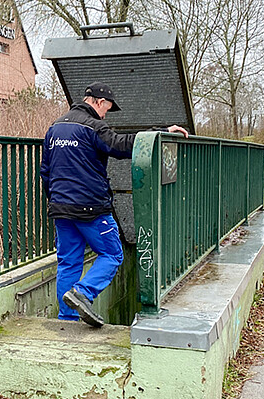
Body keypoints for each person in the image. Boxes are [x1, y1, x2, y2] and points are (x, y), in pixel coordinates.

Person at [39, 82, 189, 327]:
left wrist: (55, 200)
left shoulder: (55, 127)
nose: (105, 114)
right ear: (98, 102)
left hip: (61, 207)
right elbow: (121, 146)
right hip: (91, 208)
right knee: (112, 254)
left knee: (68, 261)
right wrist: (159, 132)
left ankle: (67, 319)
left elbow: (45, 171)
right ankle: (83, 293)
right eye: (107, 108)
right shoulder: (93, 126)